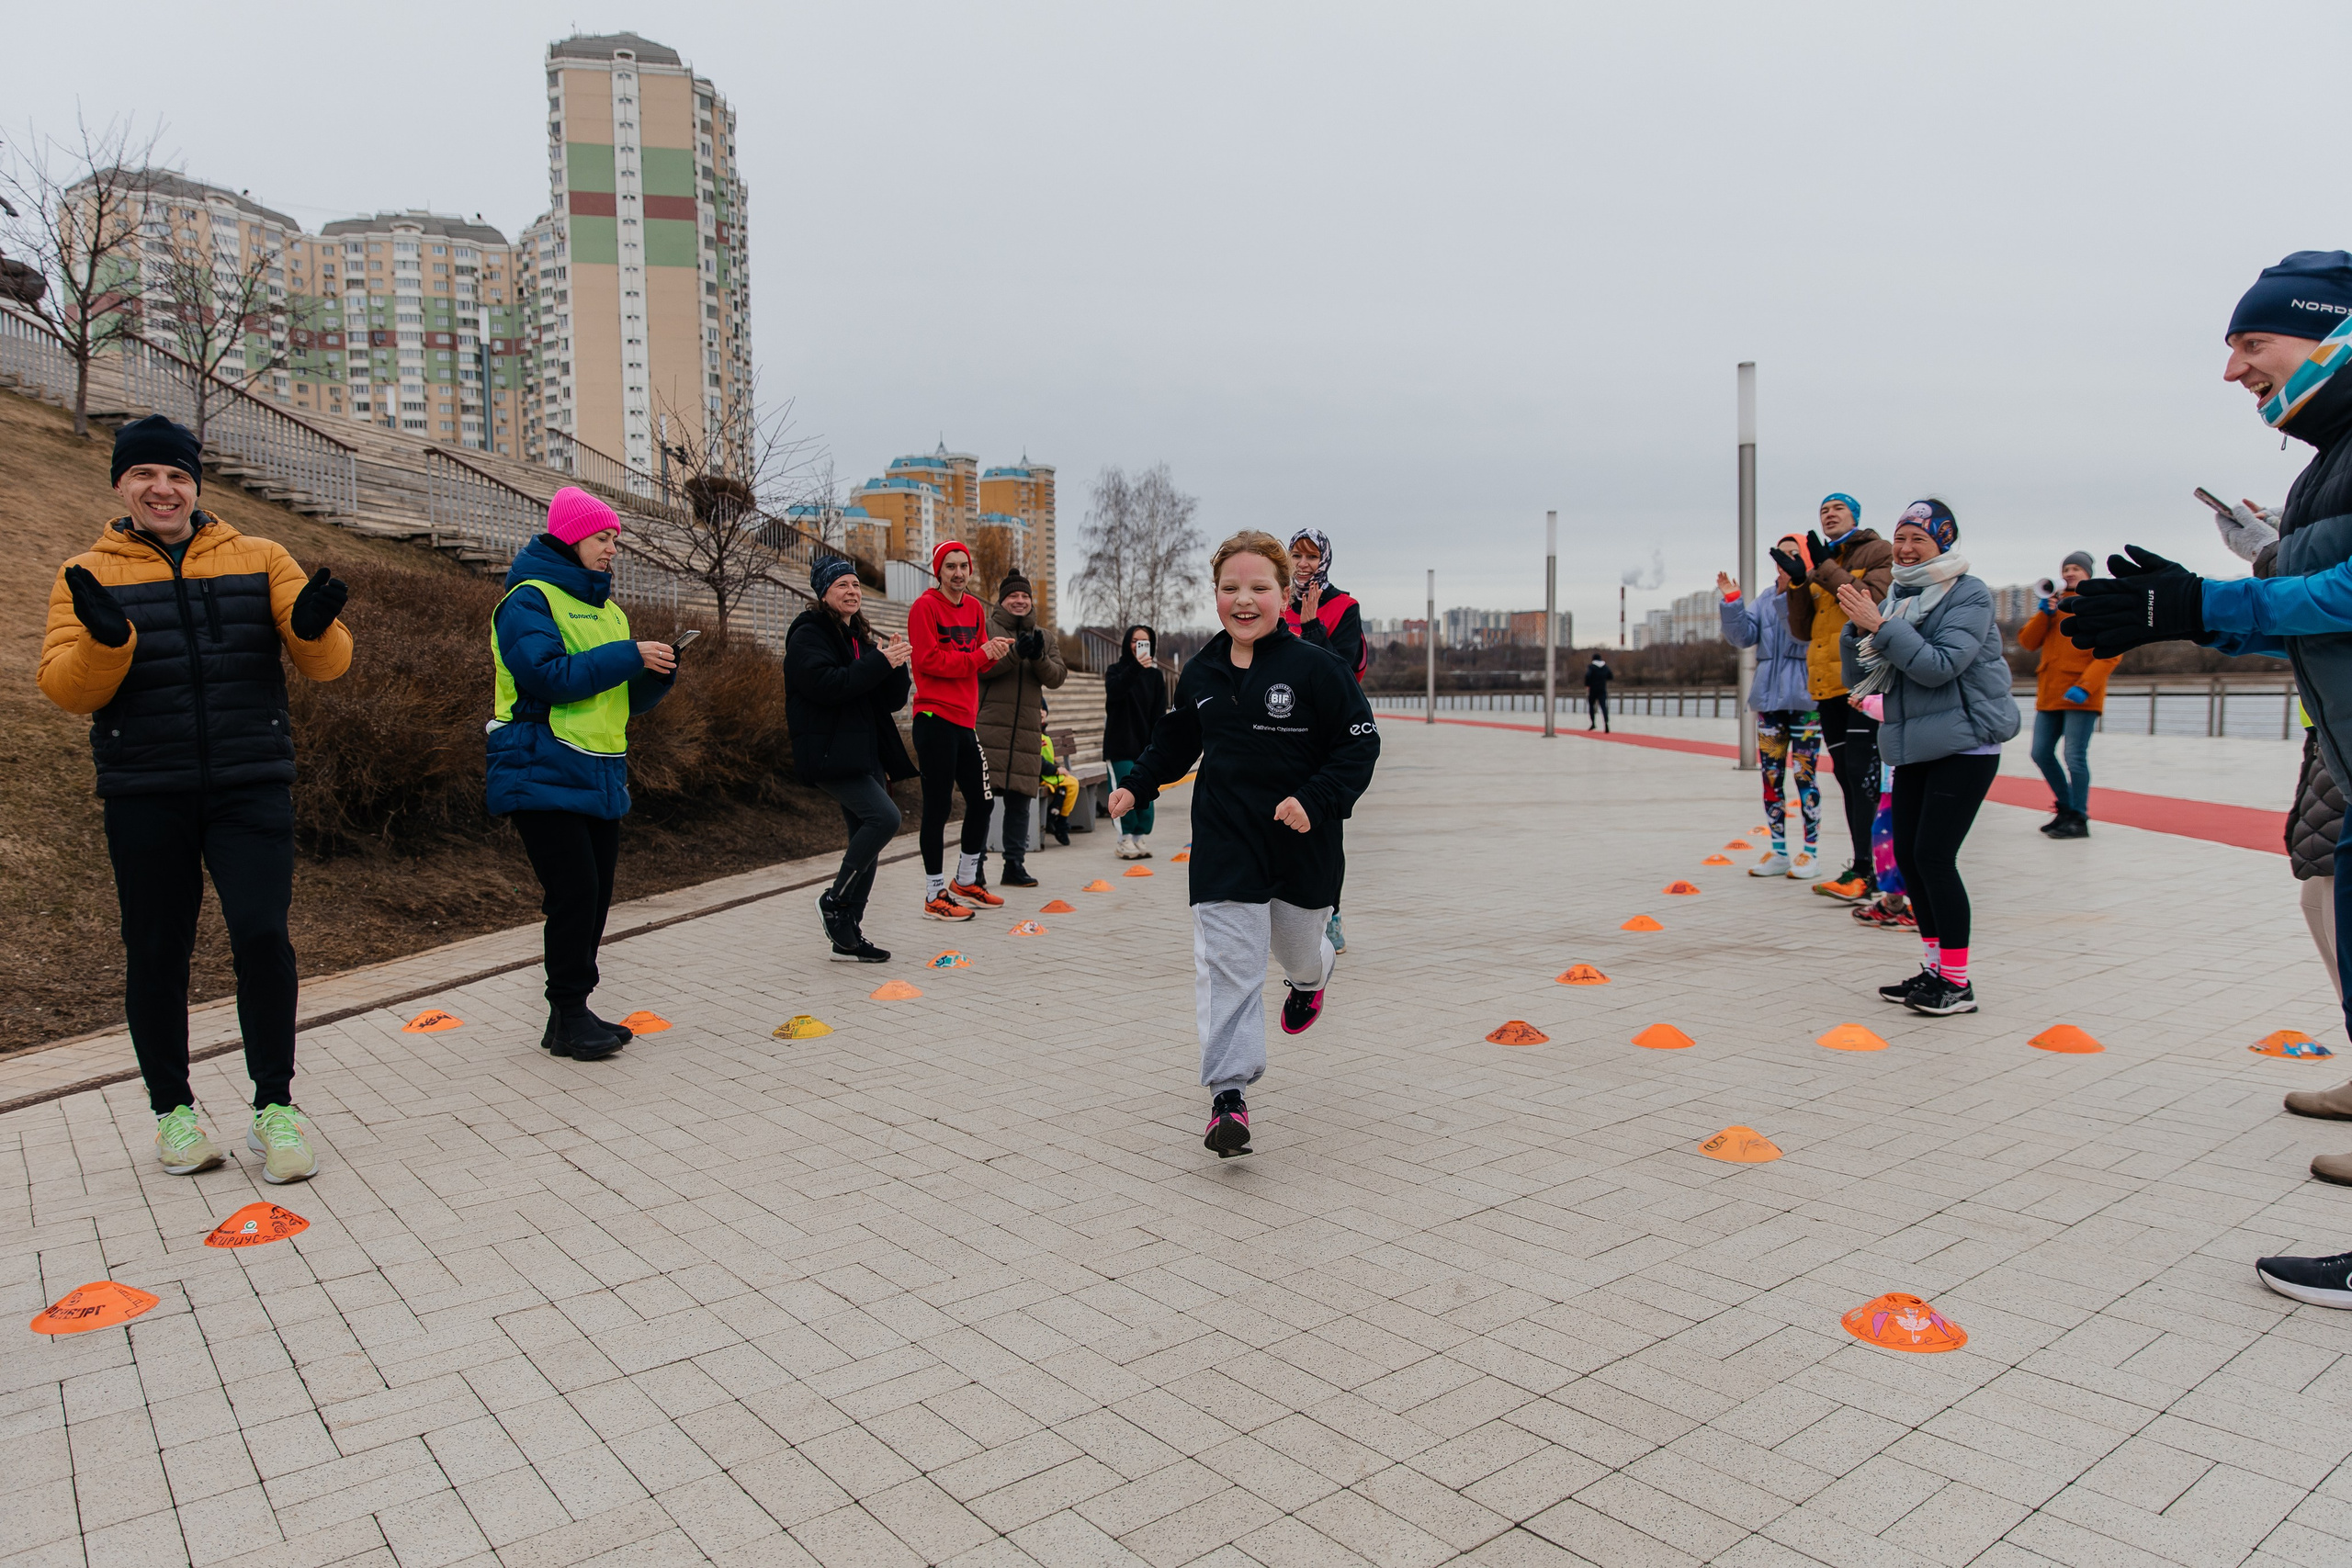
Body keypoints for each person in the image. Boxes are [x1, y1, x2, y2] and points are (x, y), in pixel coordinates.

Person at [2061, 254, 2352, 1213]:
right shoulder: (2328, 462)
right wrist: (2190, 611)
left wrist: (2202, 600)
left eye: (2251, 344)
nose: (2233, 372)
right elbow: (2313, 615)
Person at [39, 413, 353, 1182]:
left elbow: (328, 665)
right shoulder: (88, 571)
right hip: (146, 788)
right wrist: (104, 642)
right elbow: (65, 688)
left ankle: (274, 1107)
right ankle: (173, 1114)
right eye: (146, 474)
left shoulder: (261, 556)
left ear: (196, 485)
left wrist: (314, 626)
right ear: (121, 483)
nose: (163, 488)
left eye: (177, 475)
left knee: (260, 935)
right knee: (156, 949)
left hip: (249, 784)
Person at [1105, 531, 1380, 1158]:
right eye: (1231, 588)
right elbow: (1178, 738)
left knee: (1298, 950)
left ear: (1286, 594)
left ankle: (1313, 977)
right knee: (1229, 967)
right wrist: (1139, 783)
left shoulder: (1319, 667)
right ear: (1216, 596)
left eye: (1259, 587)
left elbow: (1360, 744)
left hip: (1302, 846)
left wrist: (1315, 801)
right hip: (1227, 841)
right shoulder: (1202, 669)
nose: (1244, 600)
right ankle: (1228, 1094)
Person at [487, 488, 677, 1059]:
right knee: (575, 893)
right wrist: (628, 656)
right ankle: (569, 1013)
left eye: (615, 539)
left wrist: (656, 674)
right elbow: (547, 676)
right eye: (602, 538)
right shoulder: (528, 600)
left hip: (597, 769)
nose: (612, 549)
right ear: (570, 538)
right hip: (540, 765)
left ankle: (567, 1015)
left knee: (594, 899)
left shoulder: (608, 610)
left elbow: (616, 696)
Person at [1839, 499, 2018, 1017]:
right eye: (1901, 537)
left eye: (1919, 538)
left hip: (1966, 743)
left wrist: (1880, 627)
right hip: (1915, 743)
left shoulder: (1968, 594)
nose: (1906, 548)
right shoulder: (1897, 596)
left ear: (1944, 542)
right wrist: (1858, 632)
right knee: (1913, 861)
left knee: (1937, 858)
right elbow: (1863, 677)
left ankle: (1958, 984)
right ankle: (1934, 968)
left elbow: (1939, 667)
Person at [785, 555, 912, 962]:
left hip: (862, 748)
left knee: (868, 839)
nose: (853, 592)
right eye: (842, 585)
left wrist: (895, 666)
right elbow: (827, 685)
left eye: (856, 585)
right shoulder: (809, 633)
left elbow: (887, 700)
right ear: (823, 592)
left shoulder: (857, 635)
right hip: (829, 751)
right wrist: (878, 662)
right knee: (885, 818)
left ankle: (848, 933)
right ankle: (836, 901)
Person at [1779, 494, 1894, 901]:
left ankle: (1873, 870)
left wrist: (1824, 567)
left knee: (1865, 776)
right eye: (1823, 509)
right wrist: (1797, 582)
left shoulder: (1879, 551)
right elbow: (1801, 629)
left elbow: (1871, 600)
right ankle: (1862, 865)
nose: (1828, 514)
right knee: (1846, 777)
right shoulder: (1816, 566)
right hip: (1827, 684)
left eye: (1837, 509)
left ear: (1856, 517)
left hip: (1864, 681)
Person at [907, 539, 1015, 919]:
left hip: (965, 722)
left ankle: (965, 880)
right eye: (950, 566)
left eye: (963, 566)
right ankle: (934, 893)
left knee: (983, 801)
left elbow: (977, 661)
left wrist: (993, 652)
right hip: (934, 718)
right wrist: (978, 656)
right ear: (938, 572)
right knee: (937, 808)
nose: (957, 573)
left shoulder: (973, 607)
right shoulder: (924, 607)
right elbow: (928, 660)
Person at [1718, 544, 1821, 880]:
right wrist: (1732, 603)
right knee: (1771, 778)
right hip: (1769, 699)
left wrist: (1793, 589)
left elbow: (1798, 637)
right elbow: (1743, 637)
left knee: (1805, 776)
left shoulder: (1815, 594)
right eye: (1782, 553)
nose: (1785, 559)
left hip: (1805, 699)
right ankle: (1779, 851)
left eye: (1795, 553)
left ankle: (1811, 852)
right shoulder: (1763, 598)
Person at [1287, 529, 1364, 952]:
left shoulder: (1344, 608)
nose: (1303, 564)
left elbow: (1343, 670)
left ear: (1325, 561)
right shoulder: (1278, 605)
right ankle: (1284, 917)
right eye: (1296, 555)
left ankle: (1330, 914)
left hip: (1325, 737)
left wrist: (1313, 623)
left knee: (1324, 831)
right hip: (1280, 730)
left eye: (1311, 557)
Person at [2016, 551, 2120, 838]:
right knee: (2040, 752)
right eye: (2066, 569)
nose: (2070, 573)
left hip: (2081, 695)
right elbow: (2027, 642)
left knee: (2074, 756)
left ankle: (2079, 817)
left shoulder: (2100, 605)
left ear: (2088, 573)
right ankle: (2067, 809)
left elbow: (2111, 652)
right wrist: (2043, 615)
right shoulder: (2053, 605)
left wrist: (2085, 686)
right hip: (2050, 692)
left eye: (2076, 568)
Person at [975, 570, 1068, 889]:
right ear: (1002, 601)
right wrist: (1015, 653)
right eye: (1013, 596)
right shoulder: (986, 628)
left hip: (1027, 734)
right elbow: (981, 668)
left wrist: (1038, 655)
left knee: (1020, 803)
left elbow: (1056, 677)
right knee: (982, 803)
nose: (1019, 601)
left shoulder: (1045, 635)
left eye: (1025, 596)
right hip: (989, 730)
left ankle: (1014, 865)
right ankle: (974, 867)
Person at [1102, 624, 1169, 859]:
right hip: (1119, 745)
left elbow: (1159, 713)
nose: (1138, 645)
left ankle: (1139, 838)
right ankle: (1124, 839)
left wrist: (1158, 744)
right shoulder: (1116, 670)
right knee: (1123, 791)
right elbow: (1115, 692)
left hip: (1144, 746)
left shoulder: (1155, 676)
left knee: (1145, 795)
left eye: (1144, 641)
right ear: (1127, 643)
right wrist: (1134, 668)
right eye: (1134, 641)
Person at [1583, 654, 1613, 730]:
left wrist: (1587, 685)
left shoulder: (1591, 667)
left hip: (1593, 689)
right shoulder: (1605, 667)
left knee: (1591, 706)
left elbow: (1588, 676)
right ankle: (1606, 723)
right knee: (1603, 706)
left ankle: (1593, 723)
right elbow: (1610, 676)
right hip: (1602, 689)